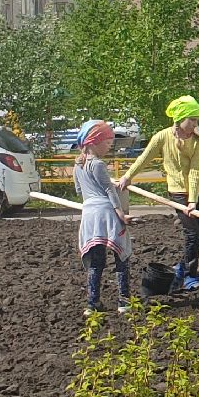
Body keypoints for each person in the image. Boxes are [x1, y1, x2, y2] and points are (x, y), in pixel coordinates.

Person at [118, 95, 199, 292]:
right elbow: (144, 158)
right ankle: (189, 275)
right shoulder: (162, 137)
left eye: (197, 119)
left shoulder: (197, 141)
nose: (195, 124)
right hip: (178, 192)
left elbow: (196, 170)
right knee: (192, 235)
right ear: (180, 119)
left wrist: (193, 201)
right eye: (192, 120)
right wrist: (128, 176)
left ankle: (182, 267)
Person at [70, 120, 134, 315]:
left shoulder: (77, 166)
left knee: (96, 260)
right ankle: (123, 302)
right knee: (121, 256)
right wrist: (120, 213)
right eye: (107, 143)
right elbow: (108, 190)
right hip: (106, 213)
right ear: (95, 142)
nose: (109, 147)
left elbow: (79, 190)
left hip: (89, 214)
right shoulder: (97, 164)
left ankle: (92, 303)